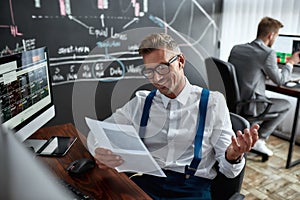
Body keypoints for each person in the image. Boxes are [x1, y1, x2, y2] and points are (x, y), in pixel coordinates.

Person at [88, 33, 259, 199]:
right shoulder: (141, 102)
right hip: (148, 183)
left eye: (163, 67)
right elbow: (97, 132)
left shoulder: (213, 103)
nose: (157, 78)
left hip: (192, 189)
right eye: (150, 71)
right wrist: (99, 151)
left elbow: (229, 172)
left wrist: (233, 156)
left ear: (180, 61)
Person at [228, 17, 300, 156]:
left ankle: (254, 136)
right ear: (271, 35)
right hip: (251, 106)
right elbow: (280, 80)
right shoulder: (268, 53)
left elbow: (243, 72)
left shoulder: (237, 48)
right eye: (277, 36)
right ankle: (260, 139)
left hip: (233, 102)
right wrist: (290, 62)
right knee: (286, 104)